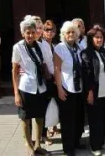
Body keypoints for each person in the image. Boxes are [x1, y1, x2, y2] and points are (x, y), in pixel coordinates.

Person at [12, 17, 49, 156]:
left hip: (41, 87)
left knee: (39, 117)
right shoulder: (18, 47)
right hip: (26, 87)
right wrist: (16, 93)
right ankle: (28, 145)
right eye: (27, 32)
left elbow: (44, 64)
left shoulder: (40, 46)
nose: (30, 35)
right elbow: (14, 70)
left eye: (32, 32)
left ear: (36, 33)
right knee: (25, 118)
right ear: (23, 33)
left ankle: (38, 144)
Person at [81, 27, 105, 156]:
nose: (99, 39)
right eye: (96, 37)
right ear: (91, 39)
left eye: (101, 37)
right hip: (94, 92)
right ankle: (95, 146)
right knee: (95, 120)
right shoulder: (86, 53)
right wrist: (89, 92)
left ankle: (101, 141)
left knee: (104, 117)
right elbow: (86, 75)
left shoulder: (104, 52)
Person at [54, 21, 85, 156]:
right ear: (64, 35)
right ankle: (68, 148)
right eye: (68, 32)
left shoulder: (79, 48)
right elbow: (57, 69)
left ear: (77, 34)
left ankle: (77, 142)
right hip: (66, 88)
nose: (71, 34)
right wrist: (59, 89)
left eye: (73, 32)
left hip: (79, 88)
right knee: (67, 121)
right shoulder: (60, 48)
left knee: (78, 118)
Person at [41, 20, 61, 139]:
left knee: (53, 104)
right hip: (46, 79)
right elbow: (43, 64)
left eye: (52, 30)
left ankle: (53, 126)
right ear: (43, 32)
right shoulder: (41, 45)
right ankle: (44, 135)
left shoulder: (53, 45)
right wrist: (51, 78)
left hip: (54, 78)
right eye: (47, 30)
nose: (50, 32)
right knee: (45, 106)